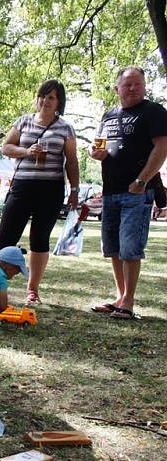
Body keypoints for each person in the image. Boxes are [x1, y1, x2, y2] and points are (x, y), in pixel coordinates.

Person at [89, 66, 167, 319]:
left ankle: (129, 302)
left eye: (138, 84)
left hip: (137, 192)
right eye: (127, 84)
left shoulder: (153, 112)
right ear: (117, 88)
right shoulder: (108, 115)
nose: (133, 88)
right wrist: (94, 152)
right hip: (111, 191)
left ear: (144, 86)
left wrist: (142, 181)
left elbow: (162, 148)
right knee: (113, 248)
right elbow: (97, 146)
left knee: (130, 248)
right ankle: (120, 297)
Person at [0, 79, 80, 305]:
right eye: (43, 96)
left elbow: (71, 162)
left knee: (40, 239)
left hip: (51, 189)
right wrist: (26, 151)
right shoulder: (23, 121)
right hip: (22, 186)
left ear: (59, 102)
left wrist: (74, 190)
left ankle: (32, 290)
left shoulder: (65, 128)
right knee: (6, 236)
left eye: (51, 97)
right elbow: (6, 147)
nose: (45, 101)